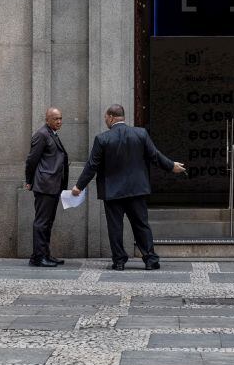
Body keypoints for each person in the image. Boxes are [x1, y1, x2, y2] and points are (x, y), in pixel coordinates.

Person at [71, 104, 186, 270]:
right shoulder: (140, 134)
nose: (105, 121)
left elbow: (92, 166)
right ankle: (150, 260)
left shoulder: (102, 139)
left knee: (115, 227)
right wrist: (170, 166)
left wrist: (79, 186)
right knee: (141, 225)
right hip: (136, 190)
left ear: (111, 117)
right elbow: (154, 155)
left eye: (105, 118)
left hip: (112, 192)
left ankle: (119, 261)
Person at [25, 106, 69, 267]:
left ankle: (44, 254)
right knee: (42, 222)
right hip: (45, 185)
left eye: (60, 118)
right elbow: (31, 160)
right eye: (55, 119)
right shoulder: (41, 135)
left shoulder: (52, 134)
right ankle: (38, 258)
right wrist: (29, 180)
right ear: (47, 119)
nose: (59, 121)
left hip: (53, 186)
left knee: (48, 222)